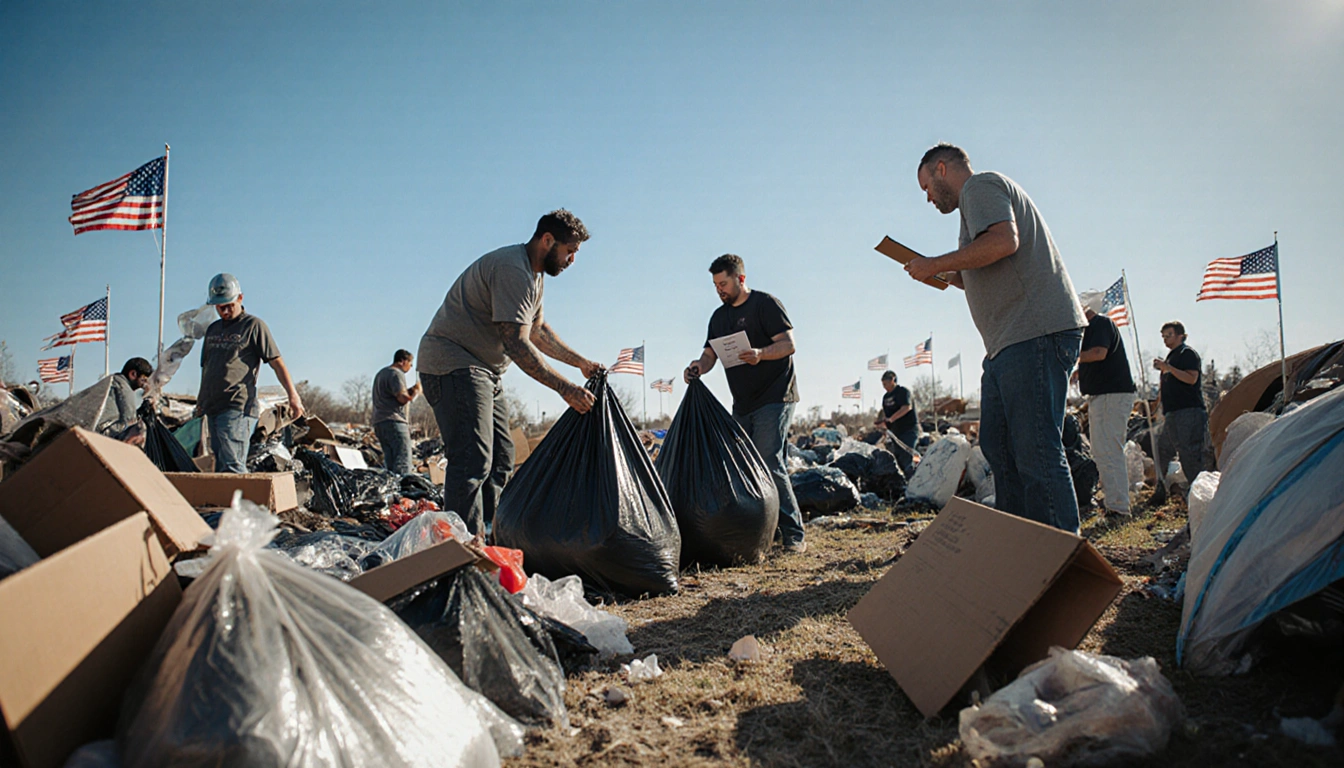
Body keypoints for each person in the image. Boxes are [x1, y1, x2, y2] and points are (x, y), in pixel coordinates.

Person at [908, 143, 1087, 532]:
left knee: (1035, 450)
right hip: (1008, 342)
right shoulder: (973, 211)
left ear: (941, 169)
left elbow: (1004, 242)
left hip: (1033, 332)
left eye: (925, 186)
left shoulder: (980, 187)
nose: (927, 198)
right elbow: (982, 265)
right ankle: (1017, 543)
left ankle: (1055, 552)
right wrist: (941, 273)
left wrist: (936, 263)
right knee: (999, 447)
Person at [417, 209, 604, 536]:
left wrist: (581, 363)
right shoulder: (511, 268)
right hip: (453, 363)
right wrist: (566, 389)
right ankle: (462, 551)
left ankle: (490, 533)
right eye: (570, 251)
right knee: (472, 460)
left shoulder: (535, 276)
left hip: (484, 371)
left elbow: (537, 331)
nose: (573, 259)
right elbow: (516, 344)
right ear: (548, 240)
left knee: (503, 457)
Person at [684, 254, 806, 553]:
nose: (719, 290)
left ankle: (794, 536)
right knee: (744, 466)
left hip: (775, 396)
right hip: (742, 403)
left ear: (740, 279)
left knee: (768, 461)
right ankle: (763, 530)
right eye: (715, 285)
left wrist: (760, 353)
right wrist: (697, 367)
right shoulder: (718, 318)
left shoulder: (765, 304)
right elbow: (710, 355)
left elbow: (788, 345)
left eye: (723, 283)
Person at [197, 273, 304, 473]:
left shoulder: (253, 326)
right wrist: (200, 401)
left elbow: (277, 363)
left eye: (230, 305)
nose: (226, 311)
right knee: (220, 465)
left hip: (237, 405)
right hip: (212, 406)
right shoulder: (212, 330)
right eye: (221, 307)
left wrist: (293, 396)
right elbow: (206, 367)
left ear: (240, 298)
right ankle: (228, 505)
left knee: (232, 465)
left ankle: (245, 504)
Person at [1076, 292, 1136, 517]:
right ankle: (1114, 502)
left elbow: (1099, 353)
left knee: (1110, 449)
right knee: (1102, 450)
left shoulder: (1100, 324)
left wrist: (1074, 356)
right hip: (1102, 395)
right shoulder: (1089, 331)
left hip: (1112, 394)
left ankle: (1119, 507)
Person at [1153, 321, 1210, 495]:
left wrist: (1168, 368)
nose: (1165, 339)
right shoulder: (1171, 357)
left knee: (1189, 454)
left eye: (1169, 335)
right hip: (1171, 412)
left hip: (1189, 411)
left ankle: (1199, 494)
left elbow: (1191, 378)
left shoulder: (1187, 354)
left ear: (1181, 336)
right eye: (1163, 336)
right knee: (1162, 449)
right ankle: (1161, 490)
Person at [372, 349, 421, 475]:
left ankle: (391, 492)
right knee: (403, 462)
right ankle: (402, 492)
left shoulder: (381, 373)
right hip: (394, 421)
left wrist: (410, 390)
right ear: (403, 361)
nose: (410, 367)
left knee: (390, 463)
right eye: (410, 364)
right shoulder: (396, 373)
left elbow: (392, 395)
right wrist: (416, 392)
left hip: (380, 422)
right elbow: (402, 399)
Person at [100, 357, 153, 445]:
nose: (143, 385)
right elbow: (130, 422)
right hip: (102, 434)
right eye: (143, 380)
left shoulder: (111, 381)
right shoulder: (124, 388)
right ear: (133, 374)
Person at [874, 370, 918, 475]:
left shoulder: (903, 392)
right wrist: (883, 424)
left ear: (892, 380)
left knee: (907, 456)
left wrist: (891, 419)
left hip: (908, 430)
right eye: (882, 384)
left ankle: (911, 480)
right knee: (897, 458)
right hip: (895, 433)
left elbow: (906, 407)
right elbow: (886, 414)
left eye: (885, 383)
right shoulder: (885, 398)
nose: (884, 386)